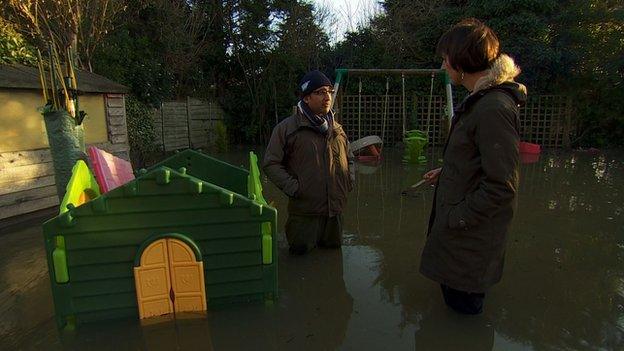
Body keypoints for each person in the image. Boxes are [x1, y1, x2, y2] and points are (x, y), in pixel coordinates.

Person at [419, 18, 527, 314]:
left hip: (469, 244)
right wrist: (450, 170)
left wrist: (456, 217)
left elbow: (501, 187)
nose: (443, 67)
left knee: (462, 318)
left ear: (461, 62)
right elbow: (481, 161)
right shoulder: (481, 101)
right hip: (461, 240)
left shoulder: (493, 108)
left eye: (445, 60)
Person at [263, 70, 353, 255]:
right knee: (300, 261)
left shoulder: (337, 129)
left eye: (329, 91)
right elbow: (271, 164)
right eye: (320, 92)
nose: (327, 96)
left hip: (335, 212)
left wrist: (348, 181)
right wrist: (295, 188)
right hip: (304, 215)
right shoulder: (287, 129)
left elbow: (350, 159)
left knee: (333, 263)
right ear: (306, 98)